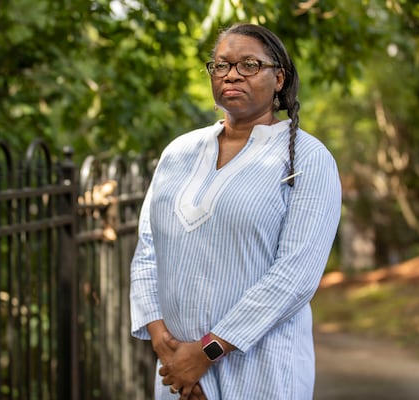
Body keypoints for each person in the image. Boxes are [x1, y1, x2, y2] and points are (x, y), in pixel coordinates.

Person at [130, 23, 342, 400]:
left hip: (261, 371)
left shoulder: (307, 159)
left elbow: (295, 276)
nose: (231, 74)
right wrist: (165, 345)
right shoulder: (178, 153)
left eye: (248, 65)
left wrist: (208, 351)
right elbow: (147, 250)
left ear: (279, 78)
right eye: (221, 65)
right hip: (178, 373)